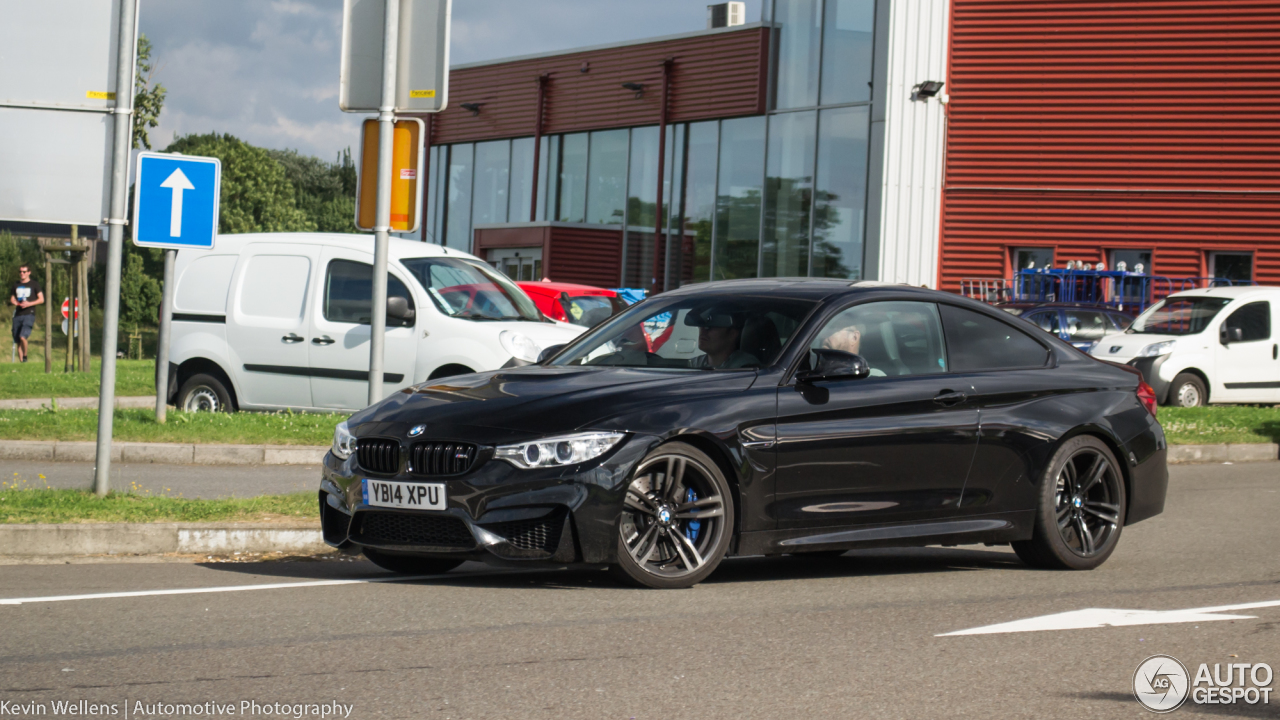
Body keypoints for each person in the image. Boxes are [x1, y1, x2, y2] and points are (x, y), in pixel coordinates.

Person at [688, 305, 760, 369]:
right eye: (701, 325)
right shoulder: (693, 364)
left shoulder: (747, 367)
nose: (703, 330)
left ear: (732, 334)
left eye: (711, 326)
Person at [9, 264, 44, 363]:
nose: (22, 274)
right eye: (20, 272)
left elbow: (41, 299)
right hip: (18, 314)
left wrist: (29, 304)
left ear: (29, 272)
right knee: (17, 340)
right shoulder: (16, 285)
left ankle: (25, 356)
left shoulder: (34, 284)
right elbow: (12, 297)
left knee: (23, 336)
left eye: (24, 272)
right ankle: (22, 362)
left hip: (29, 314)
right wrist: (14, 302)